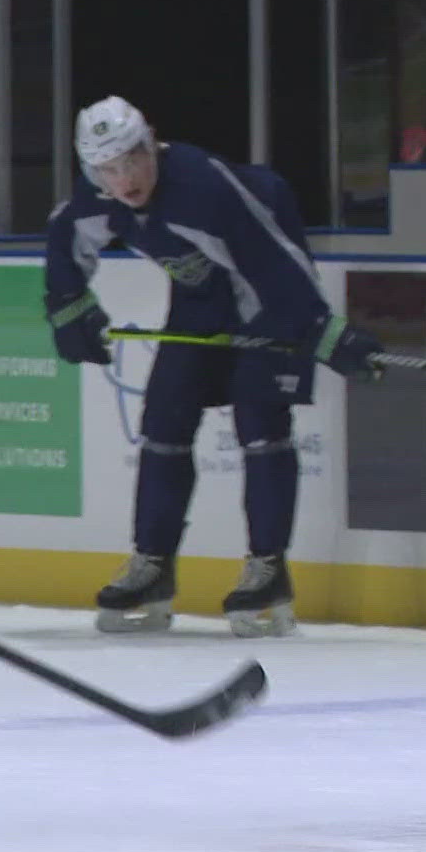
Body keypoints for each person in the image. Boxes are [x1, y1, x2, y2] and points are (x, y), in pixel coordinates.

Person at [43, 96, 382, 637]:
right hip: (199, 303)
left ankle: (268, 568)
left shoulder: (205, 188)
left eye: (132, 160)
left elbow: (274, 261)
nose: (124, 178)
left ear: (150, 143)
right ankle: (152, 565)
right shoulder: (102, 195)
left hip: (266, 294)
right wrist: (68, 308)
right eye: (107, 168)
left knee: (261, 425)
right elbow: (65, 237)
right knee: (163, 423)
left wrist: (322, 329)